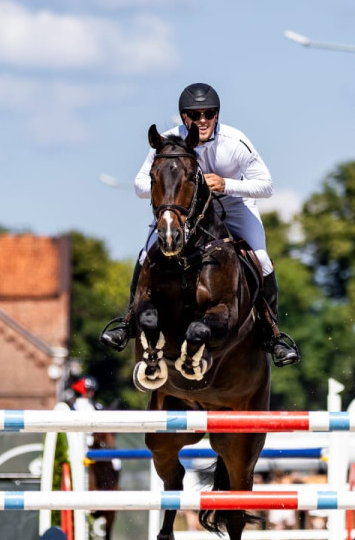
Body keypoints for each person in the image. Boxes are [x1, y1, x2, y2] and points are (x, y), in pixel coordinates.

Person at [99, 83, 300, 367]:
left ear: (217, 115)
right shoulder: (168, 142)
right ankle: (129, 321)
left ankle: (272, 333)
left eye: (209, 113)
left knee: (262, 259)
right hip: (185, 211)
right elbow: (139, 184)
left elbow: (266, 186)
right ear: (184, 117)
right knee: (146, 254)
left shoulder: (235, 142)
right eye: (195, 115)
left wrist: (226, 184)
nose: (202, 120)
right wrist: (165, 188)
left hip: (233, 204)